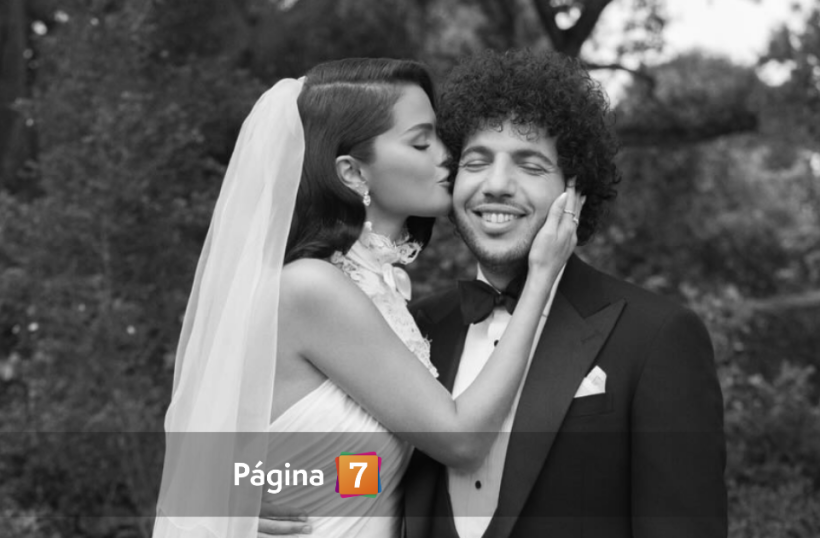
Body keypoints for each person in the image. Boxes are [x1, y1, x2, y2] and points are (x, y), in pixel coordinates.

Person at [260, 49, 727, 538]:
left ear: (575, 189)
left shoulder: (656, 337)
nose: (497, 185)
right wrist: (244, 494)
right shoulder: (418, 328)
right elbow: (363, 470)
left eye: (530, 165)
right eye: (476, 161)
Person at [153, 57, 581, 538]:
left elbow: (355, 474)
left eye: (442, 137)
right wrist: (541, 277)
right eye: (421, 142)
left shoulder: (382, 290)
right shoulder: (312, 288)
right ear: (353, 173)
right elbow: (461, 441)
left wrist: (257, 481)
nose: (448, 155)